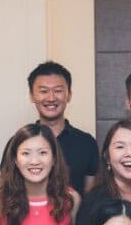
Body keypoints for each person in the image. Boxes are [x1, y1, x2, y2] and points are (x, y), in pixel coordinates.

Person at [28, 61, 97, 193]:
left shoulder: (87, 143)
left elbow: (90, 198)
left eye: (58, 90)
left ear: (69, 95)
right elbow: (9, 194)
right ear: (32, 95)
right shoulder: (19, 144)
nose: (51, 98)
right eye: (43, 91)